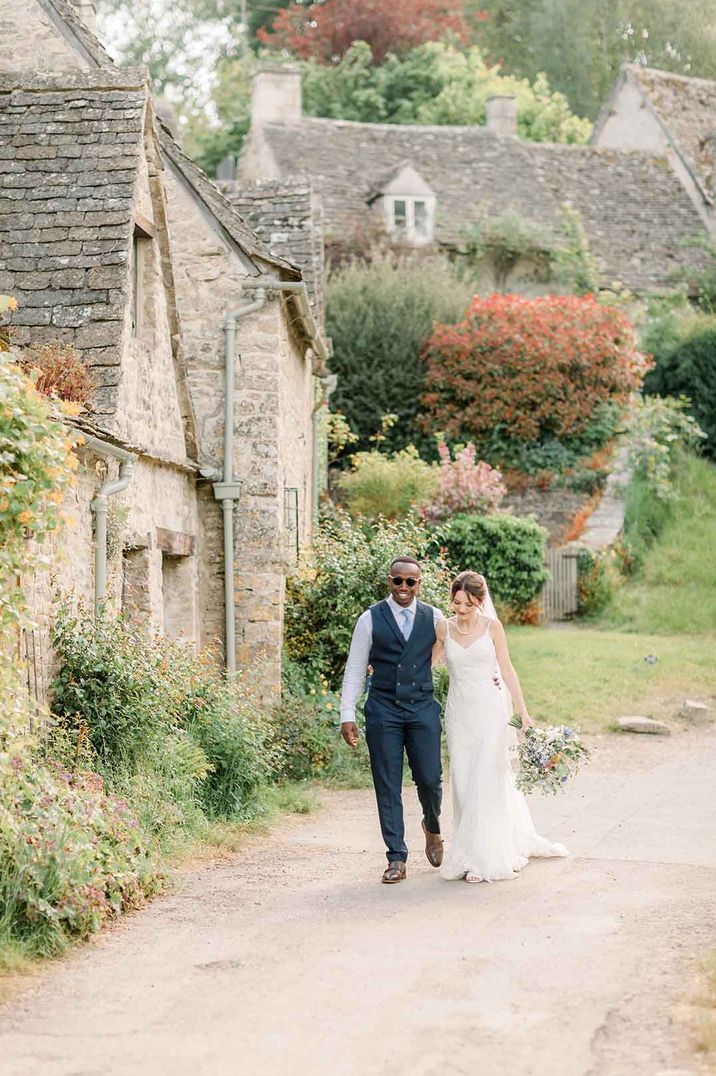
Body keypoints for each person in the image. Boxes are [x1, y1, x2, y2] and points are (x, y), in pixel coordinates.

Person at [432, 570, 568, 883]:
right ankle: (467, 849)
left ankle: (484, 857)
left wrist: (524, 713)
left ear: (480, 601)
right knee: (464, 778)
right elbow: (429, 662)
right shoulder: (444, 628)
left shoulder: (493, 627)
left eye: (468, 603)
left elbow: (507, 669)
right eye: (456, 602)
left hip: (490, 712)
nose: (461, 609)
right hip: (458, 713)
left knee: (485, 778)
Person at [340, 557, 445, 884]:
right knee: (387, 782)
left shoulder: (435, 617)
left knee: (430, 778)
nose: (403, 588)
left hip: (423, 707)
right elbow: (356, 668)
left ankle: (432, 824)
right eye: (397, 581)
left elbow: (459, 653)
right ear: (389, 581)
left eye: (410, 582)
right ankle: (396, 856)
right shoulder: (369, 619)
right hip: (383, 708)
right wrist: (347, 713)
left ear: (419, 583)